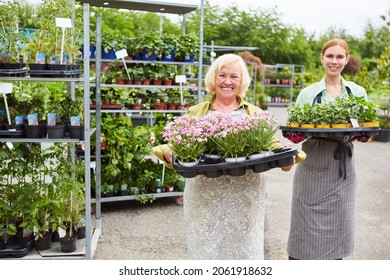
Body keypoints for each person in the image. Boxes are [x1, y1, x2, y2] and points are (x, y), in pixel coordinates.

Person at [153, 53, 305, 260]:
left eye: (234, 76)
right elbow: (177, 143)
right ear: (213, 79)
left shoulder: (254, 113)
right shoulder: (197, 112)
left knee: (243, 251)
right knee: (206, 250)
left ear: (242, 81)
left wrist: (288, 153)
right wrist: (167, 151)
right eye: (222, 75)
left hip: (244, 198)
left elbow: (273, 146)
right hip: (205, 196)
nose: (227, 81)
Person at [287, 38, 368, 260]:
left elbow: (365, 132)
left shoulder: (357, 92)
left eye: (339, 56)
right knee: (305, 222)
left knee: (339, 223)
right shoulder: (308, 93)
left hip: (342, 167)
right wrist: (294, 133)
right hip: (312, 163)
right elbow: (295, 130)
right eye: (330, 56)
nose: (334, 61)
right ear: (322, 58)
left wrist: (365, 133)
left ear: (346, 59)